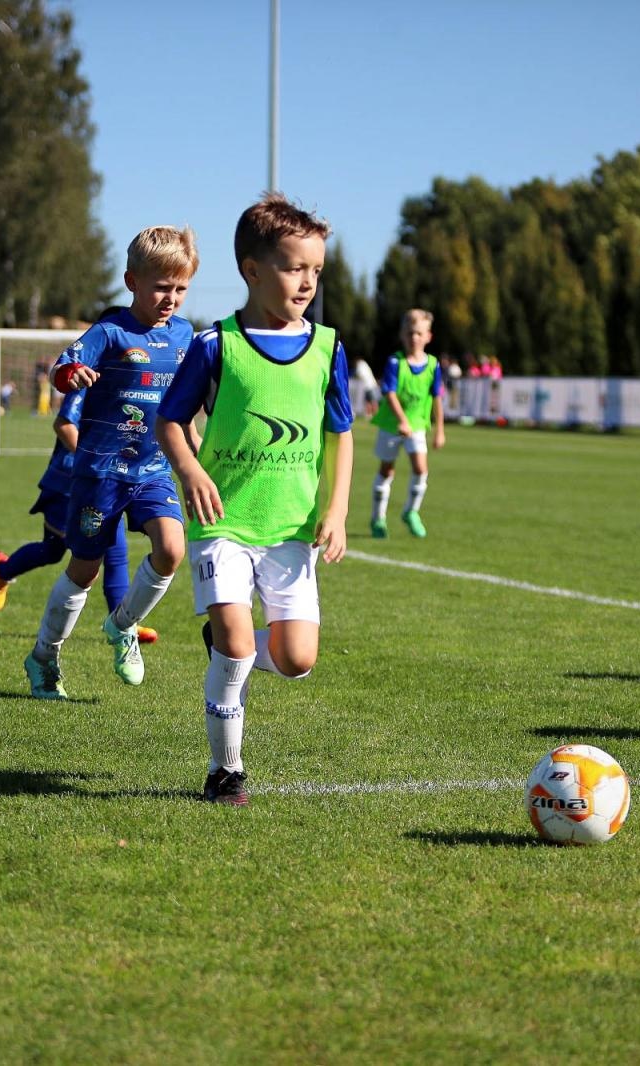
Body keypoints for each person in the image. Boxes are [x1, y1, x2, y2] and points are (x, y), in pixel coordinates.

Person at [155, 193, 354, 806]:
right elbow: (169, 419)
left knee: (296, 659)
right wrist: (188, 468)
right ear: (253, 269)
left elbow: (341, 432)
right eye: (296, 268)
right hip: (224, 523)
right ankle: (226, 772)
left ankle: (223, 641)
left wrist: (338, 508)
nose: (308, 282)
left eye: (316, 270)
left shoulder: (328, 348)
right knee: (241, 647)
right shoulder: (218, 345)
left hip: (290, 528)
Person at [22, 225, 198, 701]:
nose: (172, 298)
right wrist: (70, 373)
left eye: (181, 288)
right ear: (132, 281)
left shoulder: (185, 335)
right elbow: (63, 368)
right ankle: (43, 657)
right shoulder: (109, 332)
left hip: (153, 469)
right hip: (100, 473)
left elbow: (184, 404)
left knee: (171, 549)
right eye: (162, 286)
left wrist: (195, 456)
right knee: (84, 569)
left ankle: (123, 626)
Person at [0, 384, 157, 645]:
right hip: (71, 483)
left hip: (106, 482)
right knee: (55, 551)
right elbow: (64, 425)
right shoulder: (90, 376)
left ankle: (122, 624)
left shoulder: (128, 379)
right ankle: (0, 570)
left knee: (115, 552)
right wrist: (94, 461)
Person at [370, 308, 445, 538]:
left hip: (417, 426)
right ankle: (378, 519)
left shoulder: (433, 365)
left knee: (421, 469)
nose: (415, 338)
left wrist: (440, 430)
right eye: (410, 333)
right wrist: (402, 420)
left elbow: (436, 398)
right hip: (393, 426)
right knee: (387, 470)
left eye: (419, 333)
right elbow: (389, 393)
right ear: (403, 335)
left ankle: (411, 512)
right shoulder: (395, 362)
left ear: (428, 336)